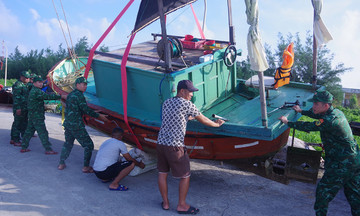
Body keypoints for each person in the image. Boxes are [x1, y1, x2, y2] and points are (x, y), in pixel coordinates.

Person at [279, 90, 360, 216]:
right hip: (354, 160)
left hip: (342, 163)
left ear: (325, 105)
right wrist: (301, 111)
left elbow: (309, 126)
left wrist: (287, 122)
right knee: (354, 193)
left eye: (316, 104)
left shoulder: (330, 121)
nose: (313, 106)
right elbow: (317, 115)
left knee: (323, 192)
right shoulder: (336, 112)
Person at [157, 80, 225, 214]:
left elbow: (174, 117)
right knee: (185, 175)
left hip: (160, 143)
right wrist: (217, 124)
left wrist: (189, 117)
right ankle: (181, 205)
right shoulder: (187, 104)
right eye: (190, 92)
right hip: (175, 146)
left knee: (162, 173)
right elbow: (204, 120)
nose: (192, 95)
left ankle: (165, 203)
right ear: (182, 91)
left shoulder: (167, 102)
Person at [58, 76, 108, 173]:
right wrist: (99, 116)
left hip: (68, 124)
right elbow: (85, 109)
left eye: (86, 85)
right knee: (89, 145)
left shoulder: (71, 94)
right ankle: (86, 167)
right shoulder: (79, 95)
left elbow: (78, 108)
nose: (85, 86)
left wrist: (94, 111)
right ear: (77, 85)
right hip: (76, 125)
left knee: (68, 144)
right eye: (83, 84)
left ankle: (61, 163)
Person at [20, 76, 66, 154]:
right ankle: (48, 149)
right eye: (39, 82)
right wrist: (61, 95)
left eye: (42, 82)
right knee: (43, 133)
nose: (41, 84)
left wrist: (46, 84)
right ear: (34, 83)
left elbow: (42, 89)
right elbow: (47, 96)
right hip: (37, 116)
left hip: (32, 115)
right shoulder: (37, 91)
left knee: (29, 132)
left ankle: (24, 147)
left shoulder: (34, 89)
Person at [10, 71, 31, 146]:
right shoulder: (18, 85)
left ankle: (13, 138)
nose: (28, 79)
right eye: (26, 78)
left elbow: (33, 85)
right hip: (19, 108)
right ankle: (16, 140)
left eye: (28, 78)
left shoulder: (24, 84)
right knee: (18, 123)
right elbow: (16, 98)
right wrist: (18, 108)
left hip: (24, 107)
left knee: (18, 122)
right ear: (21, 77)